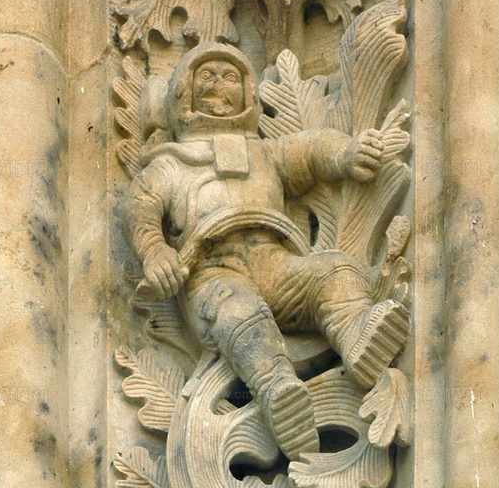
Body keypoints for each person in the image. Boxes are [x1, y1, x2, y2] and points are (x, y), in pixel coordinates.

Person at [122, 41, 406, 460]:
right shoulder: (171, 163)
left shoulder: (263, 153)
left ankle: (357, 337)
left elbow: (308, 150)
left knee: (335, 270)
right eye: (206, 75)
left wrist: (345, 154)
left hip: (276, 262)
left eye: (231, 76)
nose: (219, 83)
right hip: (213, 272)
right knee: (238, 312)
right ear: (183, 92)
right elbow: (140, 207)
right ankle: (278, 393)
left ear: (248, 93)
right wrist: (155, 252)